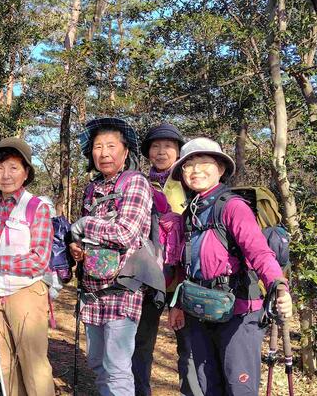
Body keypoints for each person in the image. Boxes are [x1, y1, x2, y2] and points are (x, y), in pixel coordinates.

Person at [166, 137, 293, 396]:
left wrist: (279, 286)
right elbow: (185, 265)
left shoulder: (233, 207)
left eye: (204, 162)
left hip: (239, 312)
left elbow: (259, 251)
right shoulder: (188, 214)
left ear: (221, 169)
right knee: (208, 385)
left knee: (239, 387)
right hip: (200, 310)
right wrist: (177, 306)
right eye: (189, 165)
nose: (196, 170)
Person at [68, 117, 153, 396]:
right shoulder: (92, 188)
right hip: (92, 290)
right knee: (97, 363)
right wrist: (77, 246)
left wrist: (83, 226)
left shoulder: (135, 183)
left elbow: (126, 232)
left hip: (122, 289)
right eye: (97, 146)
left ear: (125, 151)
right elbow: (86, 237)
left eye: (111, 146)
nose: (103, 153)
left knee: (116, 366)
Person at [0, 137, 56, 396]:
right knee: (3, 362)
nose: (5, 175)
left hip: (26, 292)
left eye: (13, 167)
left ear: (26, 172)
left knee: (33, 364)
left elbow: (39, 260)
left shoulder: (36, 207)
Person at [133, 124, 202, 396]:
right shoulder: (137, 184)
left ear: (178, 151)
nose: (161, 152)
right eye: (155, 146)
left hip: (184, 279)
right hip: (148, 278)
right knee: (141, 345)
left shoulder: (190, 184)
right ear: (148, 151)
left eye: (168, 146)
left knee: (189, 348)